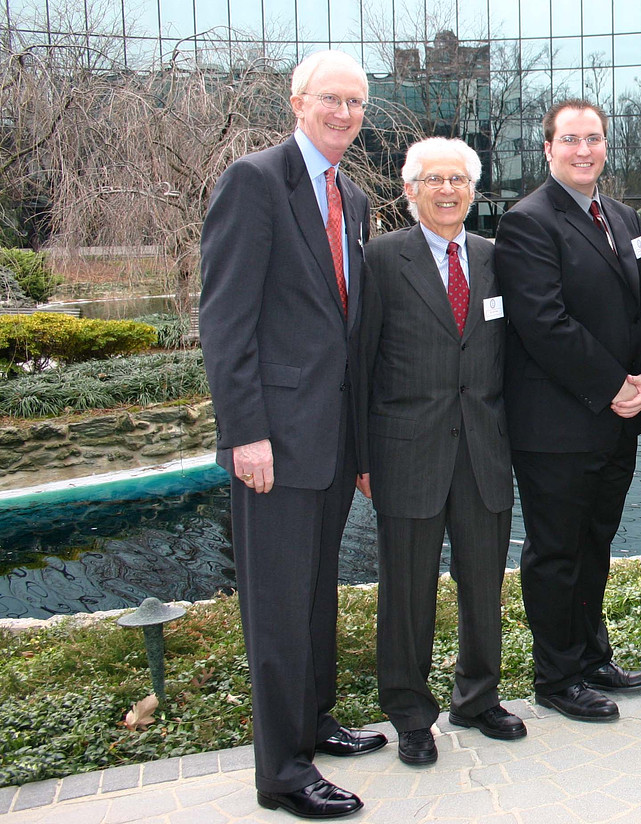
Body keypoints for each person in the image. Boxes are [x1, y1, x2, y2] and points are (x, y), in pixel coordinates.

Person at [199, 49, 383, 820]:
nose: (345, 113)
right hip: (272, 441)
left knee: (315, 595)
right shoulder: (254, 181)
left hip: (332, 442)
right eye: (331, 99)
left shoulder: (355, 197)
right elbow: (225, 317)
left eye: (356, 103)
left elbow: (346, 331)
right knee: (275, 605)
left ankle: (313, 721)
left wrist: (363, 449)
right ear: (297, 102)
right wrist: (246, 433)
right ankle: (280, 773)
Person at [357, 137, 524, 767]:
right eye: (434, 180)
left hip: (484, 450)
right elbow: (360, 360)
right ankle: (409, 712)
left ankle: (477, 697)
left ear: (473, 190)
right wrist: (361, 456)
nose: (448, 190)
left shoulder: (493, 257)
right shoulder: (379, 259)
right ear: (410, 190)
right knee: (407, 591)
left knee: (484, 584)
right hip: (407, 453)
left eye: (458, 179)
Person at [492, 99, 641, 723]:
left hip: (615, 416)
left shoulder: (619, 215)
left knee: (596, 545)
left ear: (606, 144)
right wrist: (613, 382)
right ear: (548, 148)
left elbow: (638, 309)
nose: (583, 149)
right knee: (555, 552)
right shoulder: (528, 221)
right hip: (558, 423)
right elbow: (543, 321)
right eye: (570, 139)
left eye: (594, 137)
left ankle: (592, 657)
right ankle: (556, 677)